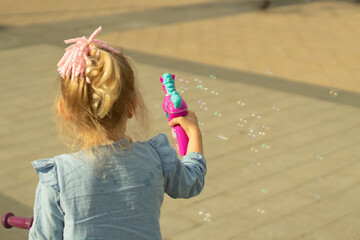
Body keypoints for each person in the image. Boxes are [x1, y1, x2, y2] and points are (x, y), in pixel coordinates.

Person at [29, 27, 206, 240]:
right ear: (132, 105)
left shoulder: (57, 178)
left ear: (64, 110)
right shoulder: (156, 157)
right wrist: (194, 133)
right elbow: (191, 182)